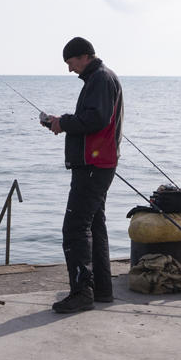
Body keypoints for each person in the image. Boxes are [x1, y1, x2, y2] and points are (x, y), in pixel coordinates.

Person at [41, 36, 124, 314]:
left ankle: (82, 292)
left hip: (93, 166)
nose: (69, 69)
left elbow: (96, 118)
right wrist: (61, 122)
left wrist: (63, 123)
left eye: (71, 62)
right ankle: (101, 289)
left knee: (75, 228)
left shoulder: (100, 78)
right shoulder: (100, 78)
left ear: (85, 56)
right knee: (94, 226)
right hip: (99, 164)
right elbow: (95, 118)